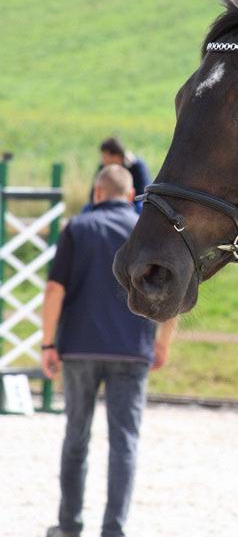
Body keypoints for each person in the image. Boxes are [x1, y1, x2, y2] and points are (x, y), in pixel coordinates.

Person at [42, 164, 175, 537]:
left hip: (79, 347)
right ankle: (113, 529)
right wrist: (162, 341)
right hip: (132, 349)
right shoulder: (148, 233)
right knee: (124, 441)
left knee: (76, 437)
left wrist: (48, 342)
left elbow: (54, 290)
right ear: (132, 195)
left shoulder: (77, 228)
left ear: (97, 193)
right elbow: (173, 290)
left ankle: (69, 525)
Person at [86, 138, 151, 213]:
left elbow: (144, 192)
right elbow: (93, 192)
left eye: (104, 157)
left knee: (141, 206)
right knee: (87, 208)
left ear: (116, 155)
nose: (103, 160)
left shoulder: (137, 165)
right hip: (107, 203)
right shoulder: (103, 167)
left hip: (132, 204)